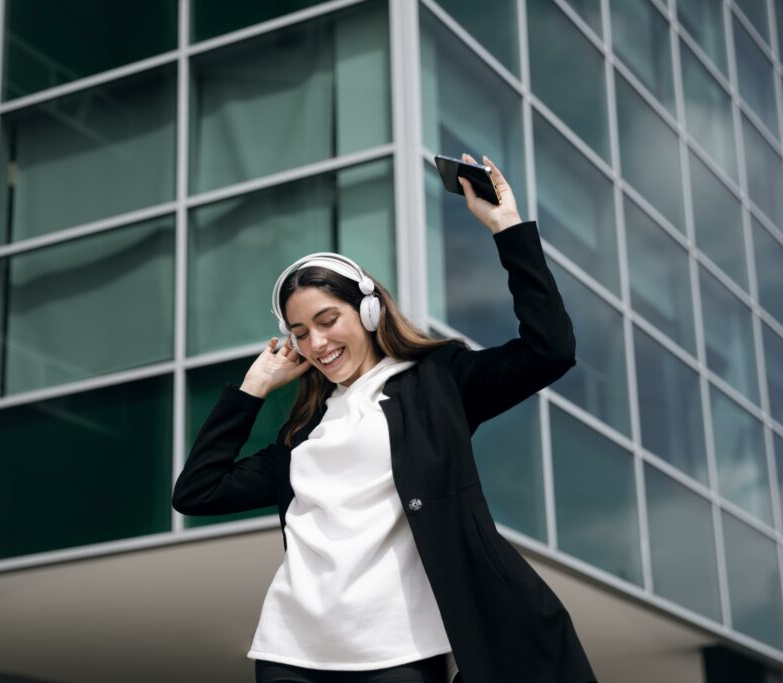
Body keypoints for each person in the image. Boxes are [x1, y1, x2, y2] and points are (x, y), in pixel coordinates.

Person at [172, 154, 597, 683]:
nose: (317, 343)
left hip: (397, 651)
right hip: (290, 652)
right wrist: (253, 388)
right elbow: (196, 492)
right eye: (301, 332)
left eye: (328, 321)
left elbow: (551, 351)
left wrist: (506, 228)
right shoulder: (303, 432)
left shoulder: (438, 384)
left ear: (369, 311)